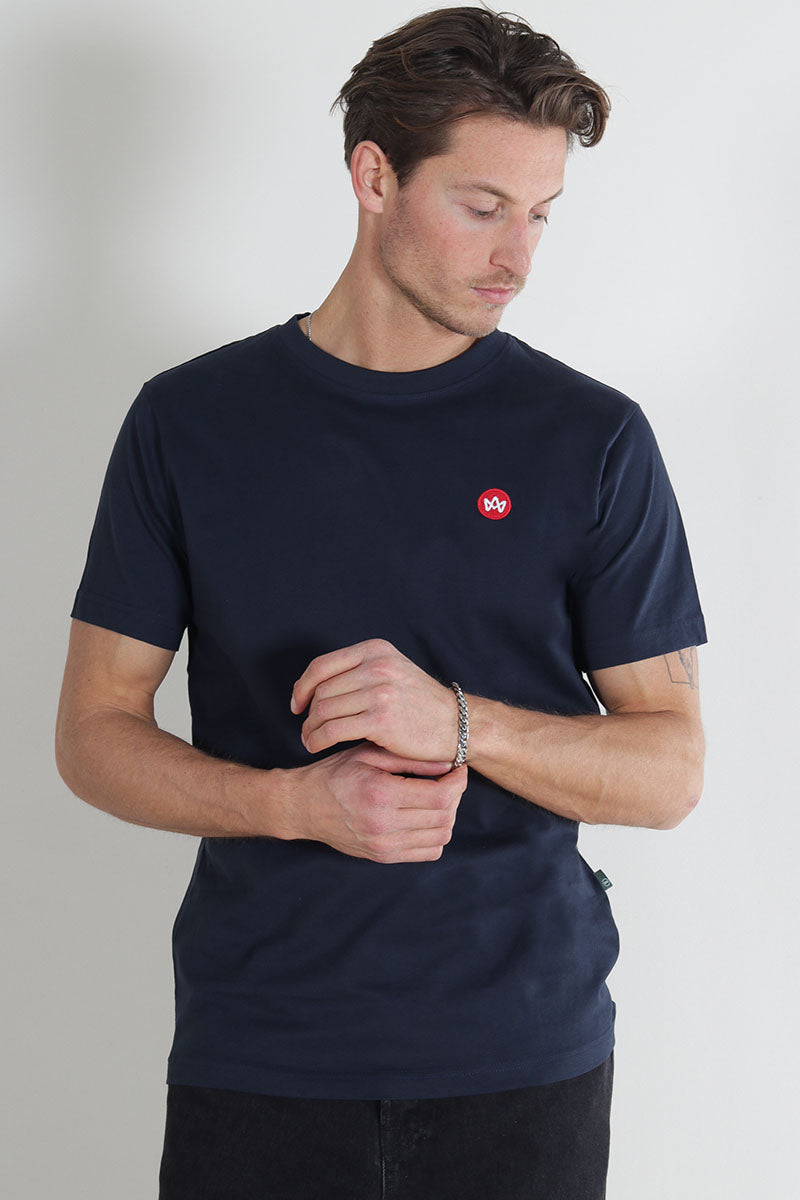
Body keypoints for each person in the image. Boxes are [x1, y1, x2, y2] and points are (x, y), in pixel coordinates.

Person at [54, 5, 707, 1198]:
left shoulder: (592, 439)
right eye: (481, 206)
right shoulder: (189, 423)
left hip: (521, 1060)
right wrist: (291, 804)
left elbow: (668, 773)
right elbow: (93, 733)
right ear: (372, 178)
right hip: (261, 1055)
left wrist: (457, 721)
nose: (516, 257)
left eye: (541, 214)